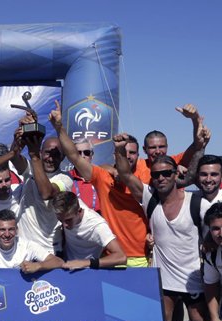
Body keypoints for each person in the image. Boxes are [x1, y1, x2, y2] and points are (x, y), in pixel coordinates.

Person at [115, 142, 209, 321]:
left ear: (177, 173)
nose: (161, 178)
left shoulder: (196, 203)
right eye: (156, 174)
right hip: (164, 280)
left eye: (167, 172)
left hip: (194, 280)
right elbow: (125, 174)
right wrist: (118, 149)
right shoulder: (150, 199)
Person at [49, 102, 149, 267]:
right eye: (123, 152)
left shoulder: (145, 180)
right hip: (110, 257)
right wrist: (59, 128)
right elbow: (74, 156)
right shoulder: (102, 177)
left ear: (139, 154)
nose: (128, 156)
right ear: (115, 154)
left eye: (132, 152)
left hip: (141, 256)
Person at [15, 114, 73, 251]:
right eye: (47, 153)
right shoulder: (30, 167)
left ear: (63, 157)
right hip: (23, 247)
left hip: (49, 250)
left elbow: (46, 193)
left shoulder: (65, 179)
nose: (50, 158)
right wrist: (20, 133)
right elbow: (14, 157)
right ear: (41, 152)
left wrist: (34, 157)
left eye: (56, 154)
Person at [0, 209, 63, 275]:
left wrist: (38, 266)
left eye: (11, 229)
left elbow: (59, 262)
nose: (7, 234)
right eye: (2, 230)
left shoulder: (27, 246)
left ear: (17, 230)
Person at [51, 191, 126, 269]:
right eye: (60, 220)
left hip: (88, 270)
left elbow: (121, 257)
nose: (64, 225)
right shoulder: (71, 204)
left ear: (79, 212)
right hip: (66, 266)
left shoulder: (97, 226)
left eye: (68, 220)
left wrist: (85, 263)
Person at [134, 104, 205, 183]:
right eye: (153, 147)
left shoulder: (175, 162)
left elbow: (197, 145)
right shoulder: (139, 166)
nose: (157, 151)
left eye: (161, 147)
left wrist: (195, 119)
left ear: (167, 147)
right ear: (144, 149)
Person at [67, 138, 99, 212]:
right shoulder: (67, 177)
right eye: (78, 153)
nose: (83, 156)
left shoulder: (101, 176)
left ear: (92, 155)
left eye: (86, 152)